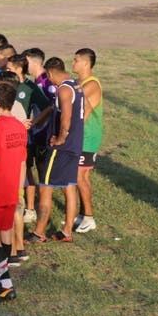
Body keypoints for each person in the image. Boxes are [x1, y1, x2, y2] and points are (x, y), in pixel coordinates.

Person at [27, 57, 84, 243]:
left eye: (48, 77)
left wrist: (60, 138)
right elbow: (53, 108)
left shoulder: (64, 90)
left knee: (45, 187)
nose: (48, 81)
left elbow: (65, 118)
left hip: (61, 147)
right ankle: (67, 230)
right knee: (69, 186)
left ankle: (39, 232)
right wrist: (34, 122)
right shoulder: (76, 85)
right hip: (75, 145)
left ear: (51, 72)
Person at [0, 83, 27, 302]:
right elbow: (22, 161)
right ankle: (0, 277)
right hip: (12, 187)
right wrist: (20, 190)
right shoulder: (19, 127)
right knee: (6, 232)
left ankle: (7, 284)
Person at [22, 47, 56, 223]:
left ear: (31, 60)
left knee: (44, 174)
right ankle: (32, 208)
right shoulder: (34, 81)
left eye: (25, 61)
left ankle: (44, 211)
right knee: (28, 168)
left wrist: (35, 123)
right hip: (34, 136)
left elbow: (52, 107)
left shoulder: (46, 83)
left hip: (43, 136)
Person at [72, 48, 103, 234]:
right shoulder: (80, 82)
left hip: (88, 137)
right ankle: (83, 214)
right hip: (81, 136)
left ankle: (89, 217)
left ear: (85, 63)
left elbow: (82, 112)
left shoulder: (90, 85)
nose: (73, 63)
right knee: (79, 176)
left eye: (76, 60)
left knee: (79, 176)